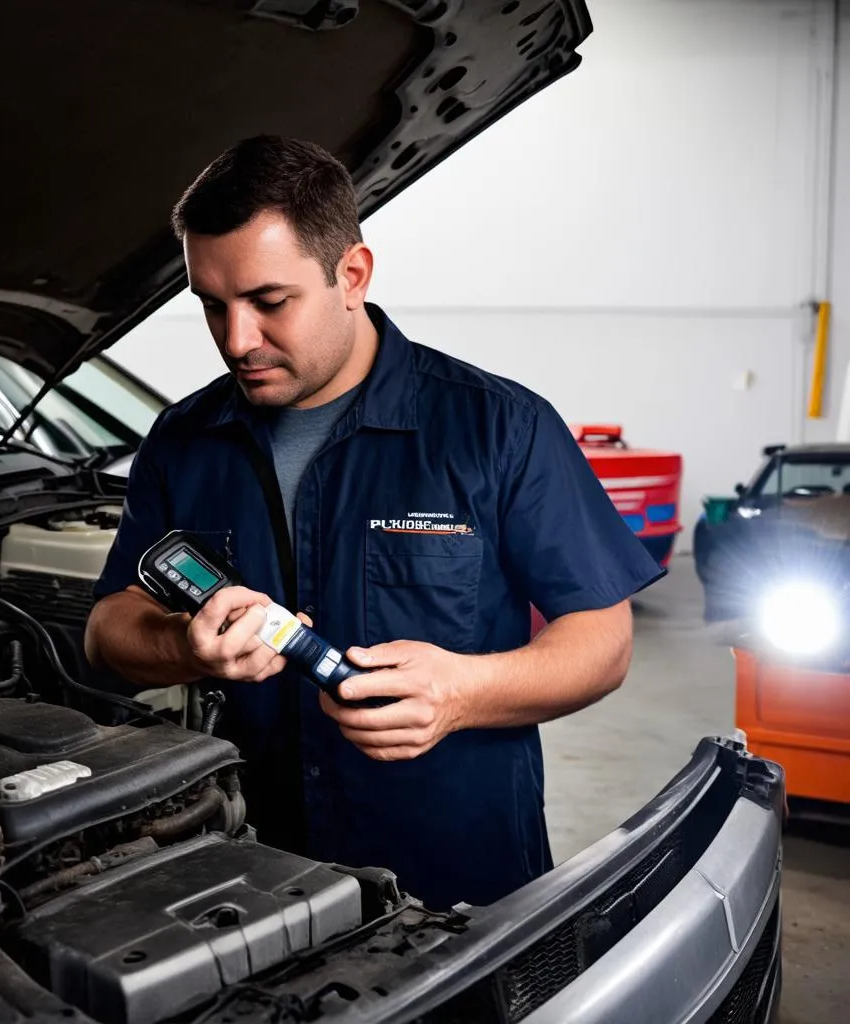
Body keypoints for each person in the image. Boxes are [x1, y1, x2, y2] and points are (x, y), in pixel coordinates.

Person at [84, 135, 664, 911]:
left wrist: (464, 689)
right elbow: (107, 628)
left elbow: (603, 639)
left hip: (459, 883)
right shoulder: (185, 441)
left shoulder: (497, 427)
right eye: (212, 306)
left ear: (351, 274)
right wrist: (181, 645)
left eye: (268, 301)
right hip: (253, 870)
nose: (236, 340)